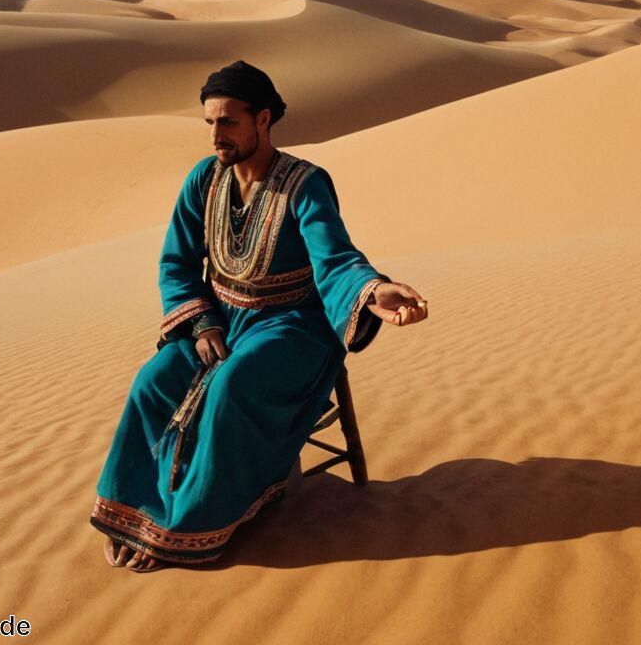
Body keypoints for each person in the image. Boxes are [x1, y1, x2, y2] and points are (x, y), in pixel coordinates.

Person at [91, 60, 428, 571]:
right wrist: (202, 323)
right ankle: (135, 515)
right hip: (218, 321)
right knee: (152, 382)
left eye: (228, 122)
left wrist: (374, 290)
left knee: (231, 388)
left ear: (263, 120)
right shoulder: (204, 180)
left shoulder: (306, 184)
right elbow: (177, 263)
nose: (216, 137)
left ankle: (191, 527)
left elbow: (334, 259)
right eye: (210, 123)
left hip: (293, 325)